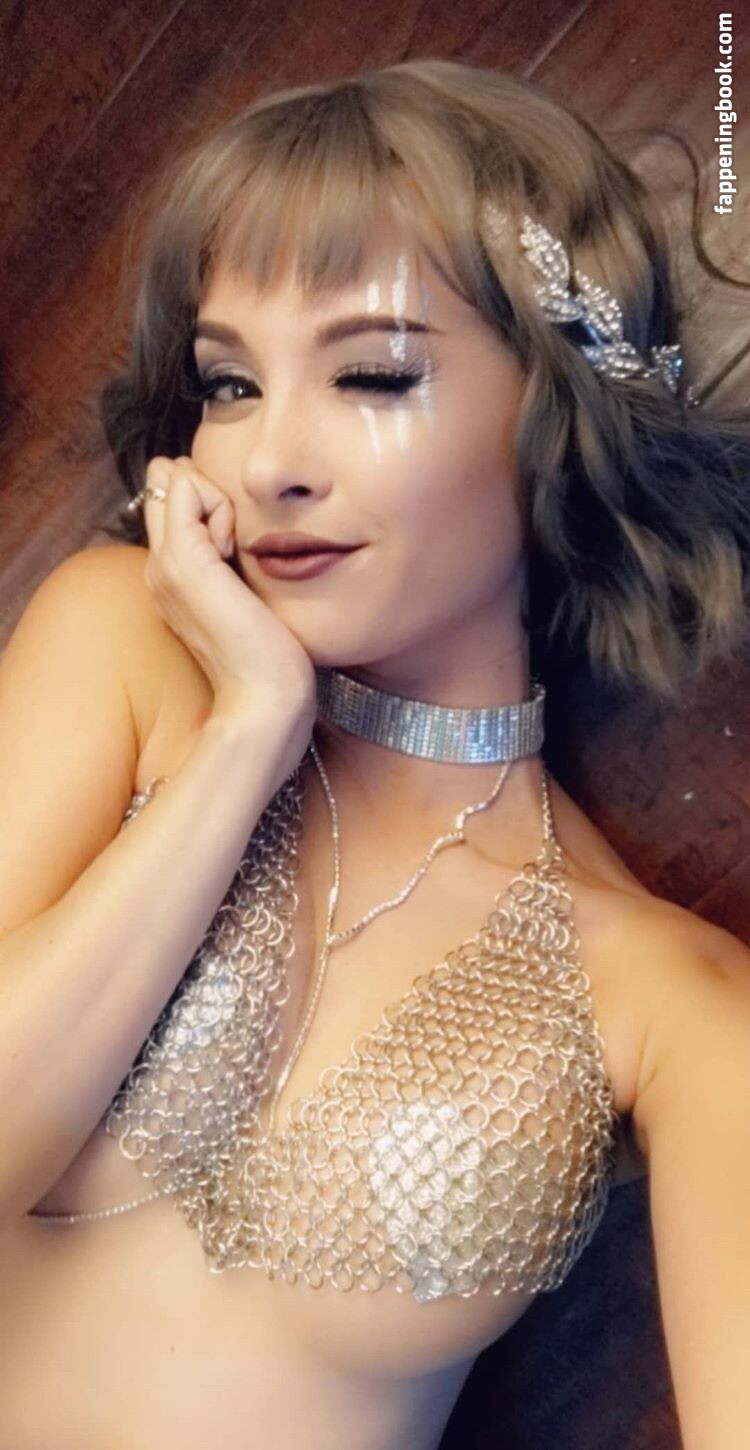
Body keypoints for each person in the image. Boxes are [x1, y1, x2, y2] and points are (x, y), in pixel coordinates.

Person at [0, 55, 749, 1450]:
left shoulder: (665, 998)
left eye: (372, 372)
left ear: (556, 414)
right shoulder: (120, 651)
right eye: (229, 384)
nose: (269, 460)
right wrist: (246, 737)